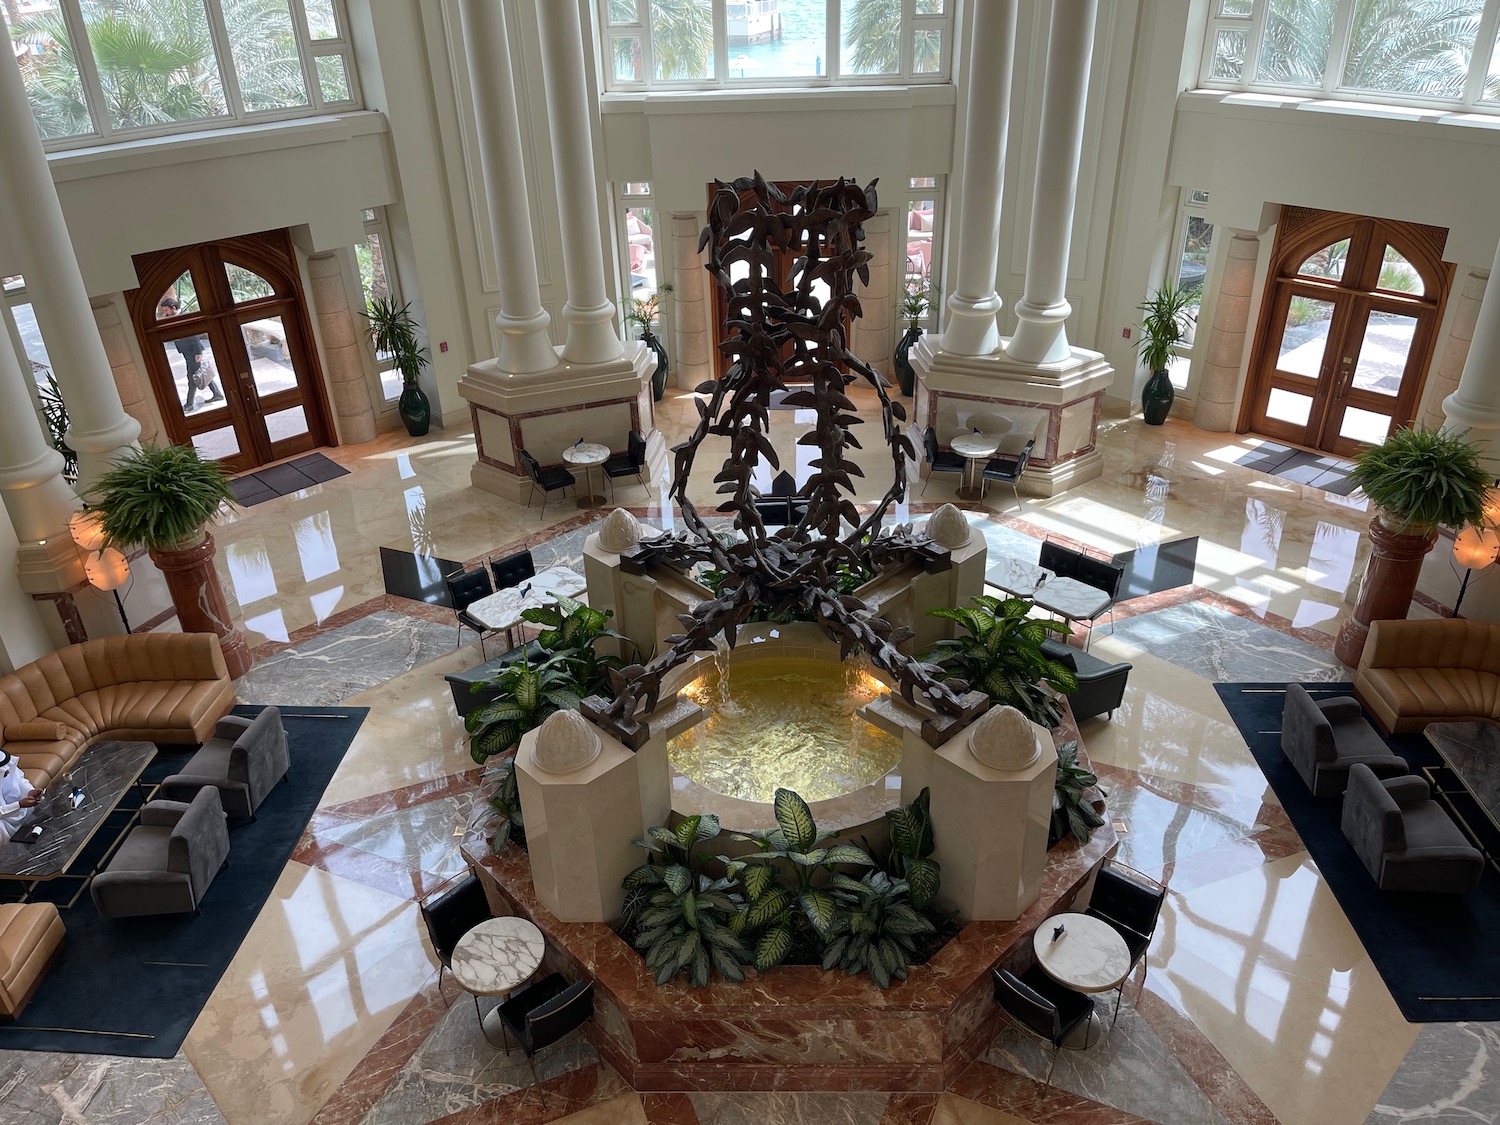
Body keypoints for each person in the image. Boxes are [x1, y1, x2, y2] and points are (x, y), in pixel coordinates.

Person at [157, 295, 224, 410]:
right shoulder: (174, 316)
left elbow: (194, 335)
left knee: (192, 377)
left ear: (173, 308)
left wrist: (198, 352)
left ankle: (189, 404)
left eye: (166, 310)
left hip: (193, 352)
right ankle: (217, 394)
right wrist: (166, 318)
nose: (165, 313)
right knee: (199, 373)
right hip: (187, 351)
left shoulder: (184, 316)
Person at [0, 749, 43, 846]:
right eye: (3, 771)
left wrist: (29, 791)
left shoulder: (6, 766)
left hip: (19, 808)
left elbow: (18, 779)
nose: (7, 772)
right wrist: (19, 805)